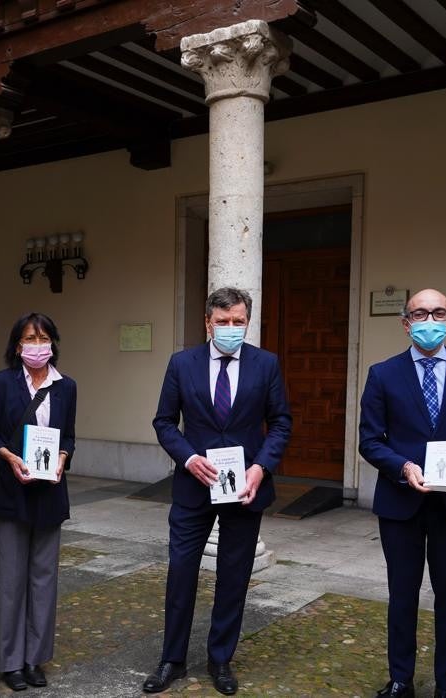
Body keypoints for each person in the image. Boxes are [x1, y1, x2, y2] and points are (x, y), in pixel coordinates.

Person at [143, 287, 292, 695]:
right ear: (207, 323)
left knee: (234, 574)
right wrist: (189, 459)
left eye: (238, 321)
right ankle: (171, 659)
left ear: (247, 322)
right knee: (182, 572)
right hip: (194, 486)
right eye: (222, 322)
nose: (230, 328)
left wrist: (261, 467)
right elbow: (164, 422)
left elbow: (280, 422)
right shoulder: (182, 363)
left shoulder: (267, 364)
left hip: (244, 487)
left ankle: (220, 658)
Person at [359, 289, 446, 698]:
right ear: (406, 322)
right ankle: (401, 679)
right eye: (420, 313)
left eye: (438, 312)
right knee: (402, 595)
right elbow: (370, 440)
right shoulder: (382, 374)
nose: (429, 320)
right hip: (401, 502)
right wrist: (402, 467)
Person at [0, 312, 77, 691]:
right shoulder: (1, 383)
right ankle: (11, 662)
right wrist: (8, 457)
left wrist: (62, 458)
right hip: (12, 491)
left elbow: (70, 436)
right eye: (30, 338)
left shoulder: (67, 386)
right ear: (17, 345)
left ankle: (34, 659)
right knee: (10, 580)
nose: (37, 345)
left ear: (53, 343)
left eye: (43, 338)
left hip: (50, 493)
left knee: (44, 579)